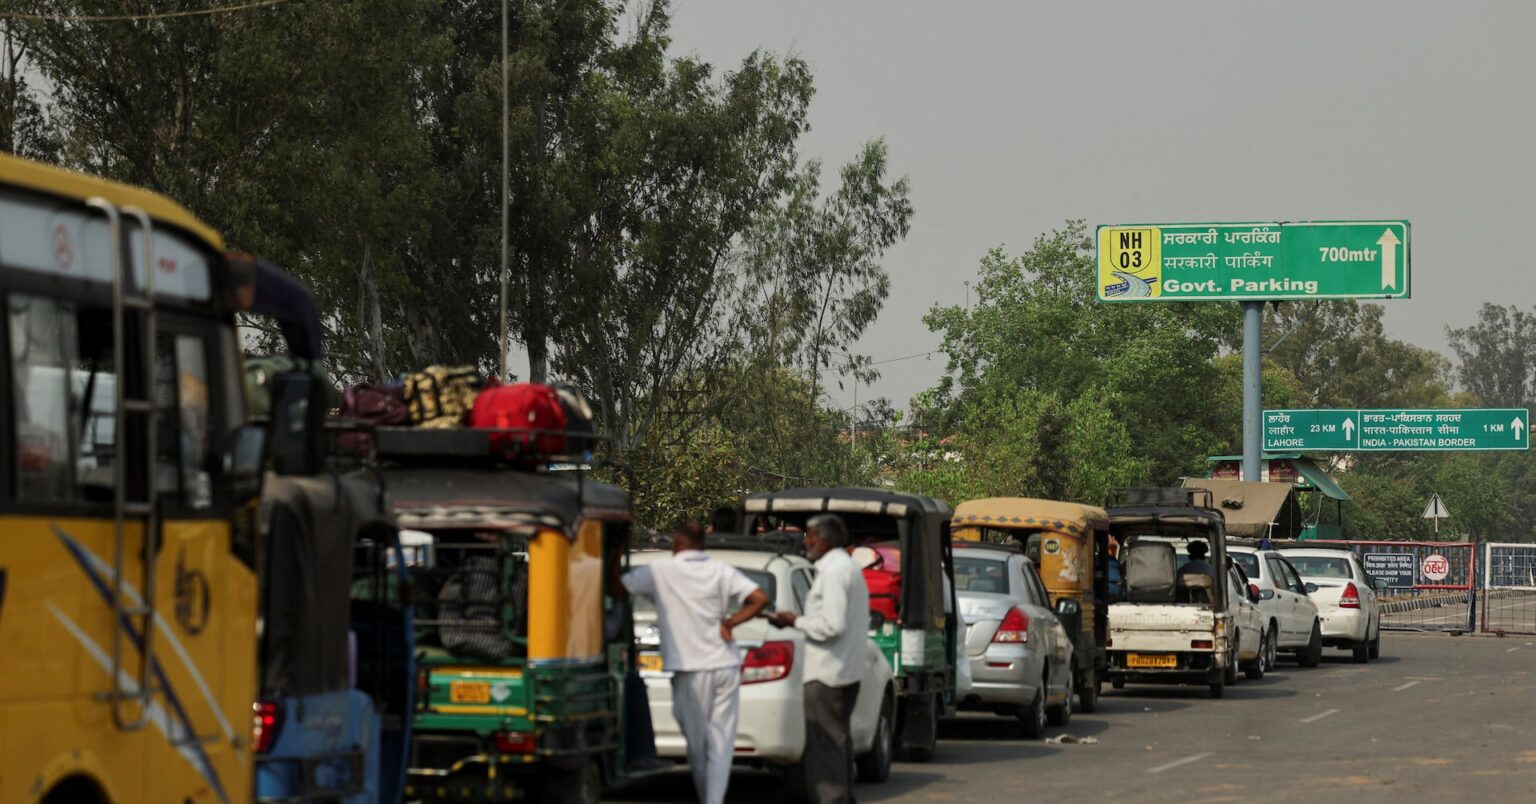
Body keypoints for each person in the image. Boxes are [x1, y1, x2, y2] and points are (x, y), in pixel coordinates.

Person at [610, 519, 770, 804]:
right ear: (702, 546)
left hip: (690, 668)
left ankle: (711, 799)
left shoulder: (659, 571)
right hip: (725, 663)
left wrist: (614, 557)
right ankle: (713, 799)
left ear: (676, 544)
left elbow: (616, 590)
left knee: (696, 744)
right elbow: (759, 598)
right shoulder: (721, 570)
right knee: (720, 742)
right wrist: (731, 623)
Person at [768, 514, 868, 804]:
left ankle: (833, 799)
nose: (805, 542)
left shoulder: (834, 571)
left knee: (824, 745)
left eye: (809, 536)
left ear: (823, 541)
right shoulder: (845, 567)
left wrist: (795, 621)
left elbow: (833, 626)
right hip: (842, 670)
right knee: (836, 741)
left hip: (827, 673)